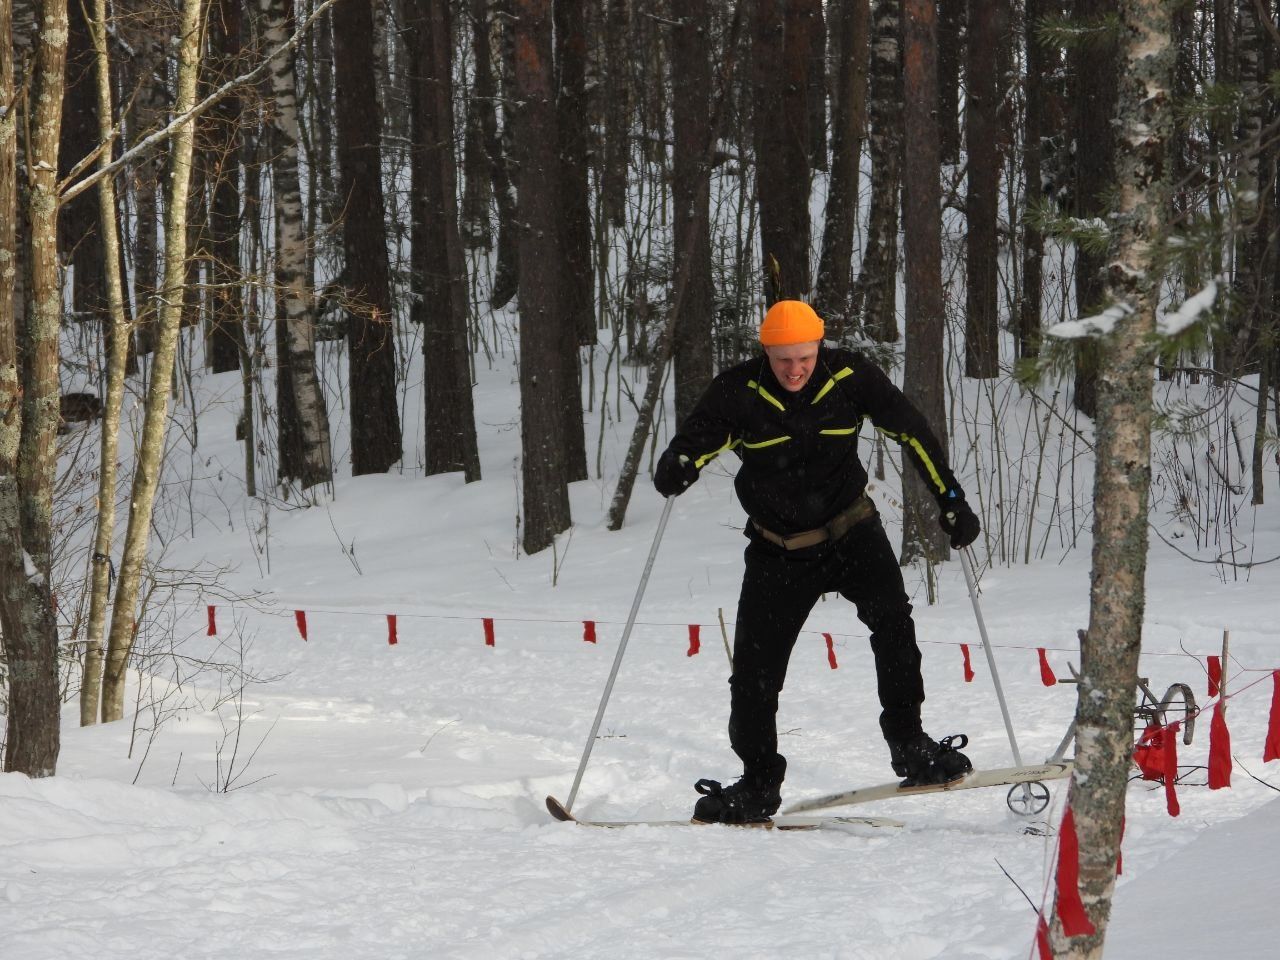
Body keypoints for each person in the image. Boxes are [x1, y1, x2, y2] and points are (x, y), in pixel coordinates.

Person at [654, 300, 981, 824]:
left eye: (804, 356)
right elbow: (695, 442)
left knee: (894, 628)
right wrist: (679, 464)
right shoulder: (738, 391)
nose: (794, 369)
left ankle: (911, 747)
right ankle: (758, 783)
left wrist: (950, 499)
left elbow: (911, 430)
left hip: (853, 531)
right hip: (776, 550)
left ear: (819, 347)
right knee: (755, 673)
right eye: (782, 359)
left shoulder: (850, 375)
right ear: (766, 352)